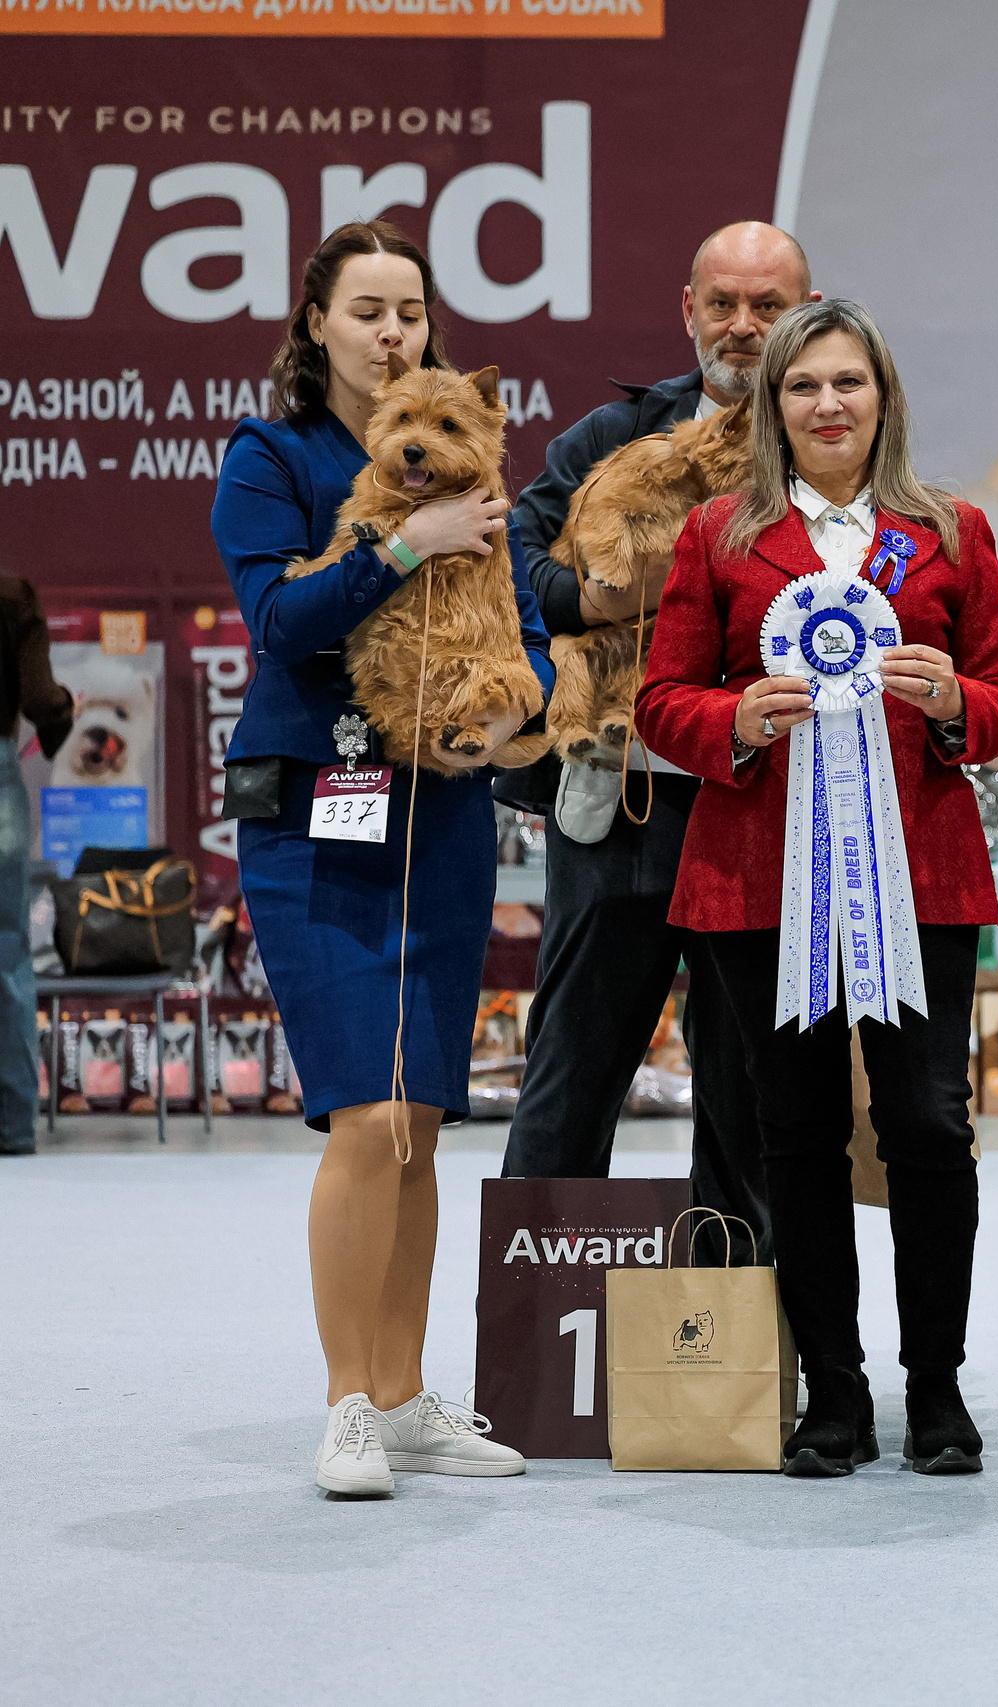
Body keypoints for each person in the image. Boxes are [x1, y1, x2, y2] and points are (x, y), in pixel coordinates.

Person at [635, 298, 998, 1478]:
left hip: (923, 875)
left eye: (848, 382)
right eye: (804, 386)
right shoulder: (717, 533)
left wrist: (957, 701)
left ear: (883, 399)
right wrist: (733, 717)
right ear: (773, 407)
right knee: (790, 1133)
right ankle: (833, 1398)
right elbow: (660, 702)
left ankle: (938, 1391)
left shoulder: (951, 532)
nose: (827, 404)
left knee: (926, 1128)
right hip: (758, 883)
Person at [211, 219, 550, 1496]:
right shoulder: (274, 457)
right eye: (365, 309)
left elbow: (523, 627)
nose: (391, 329)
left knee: (420, 1119)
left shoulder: (470, 458)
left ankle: (406, 1394)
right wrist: (405, 541)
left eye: (408, 309)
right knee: (362, 1111)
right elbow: (279, 618)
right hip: (312, 815)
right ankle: (348, 1400)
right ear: (317, 326)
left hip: (442, 815)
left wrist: (528, 702)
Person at [497, 221, 820, 1252]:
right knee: (573, 1069)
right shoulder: (609, 437)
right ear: (687, 311)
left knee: (747, 1093)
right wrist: (592, 598)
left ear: (803, 316)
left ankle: (740, 1369)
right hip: (620, 804)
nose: (742, 325)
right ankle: (532, 1356)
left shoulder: (834, 439)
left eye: (767, 306)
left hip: (768, 809)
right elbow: (514, 559)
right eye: (721, 302)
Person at [0, 576, 72, 1157]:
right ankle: (13, 1126)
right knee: (7, 955)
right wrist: (59, 720)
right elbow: (39, 696)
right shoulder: (12, 593)